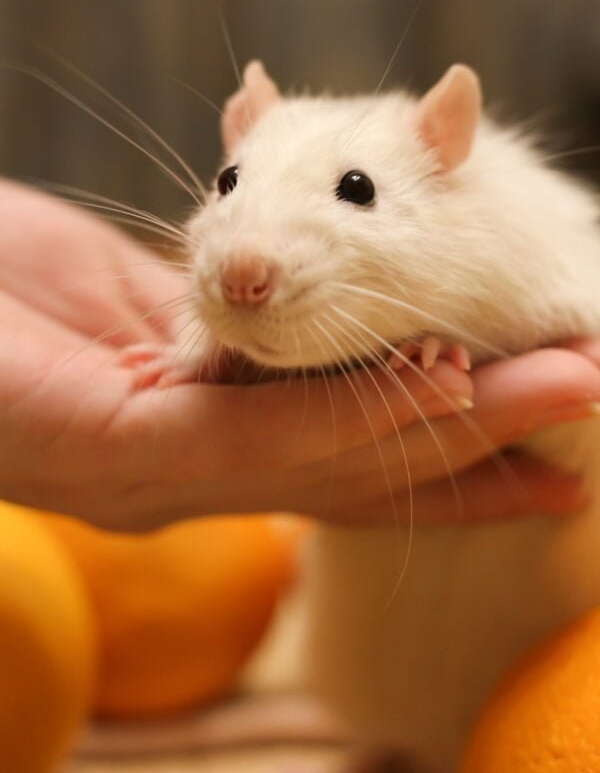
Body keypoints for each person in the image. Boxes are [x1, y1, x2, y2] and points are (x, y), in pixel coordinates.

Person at [1, 178, 599, 532]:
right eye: (231, 180)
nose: (245, 273)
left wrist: (457, 337)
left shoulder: (498, 222)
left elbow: (557, 300)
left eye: (354, 191)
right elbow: (199, 303)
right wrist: (193, 351)